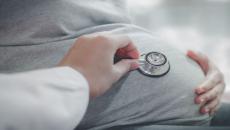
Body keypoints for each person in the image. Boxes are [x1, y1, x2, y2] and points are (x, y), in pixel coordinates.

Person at [0, 0, 226, 130]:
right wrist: (75, 78)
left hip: (197, 108)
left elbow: (112, 25)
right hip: (123, 121)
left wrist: (191, 64)